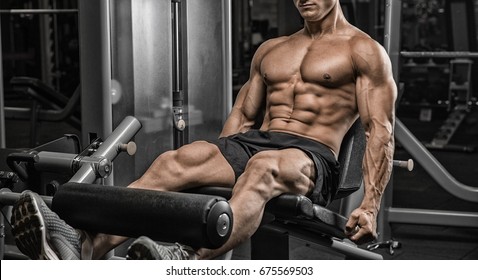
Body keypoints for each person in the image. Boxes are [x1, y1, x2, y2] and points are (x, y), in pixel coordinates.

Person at [11, 0, 396, 260]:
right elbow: (242, 116)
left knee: (265, 167)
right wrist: (218, 160)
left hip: (311, 155)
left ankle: (183, 258)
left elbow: (380, 130)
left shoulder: (362, 50)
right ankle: (84, 243)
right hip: (255, 144)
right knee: (177, 159)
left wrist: (370, 205)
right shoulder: (273, 50)